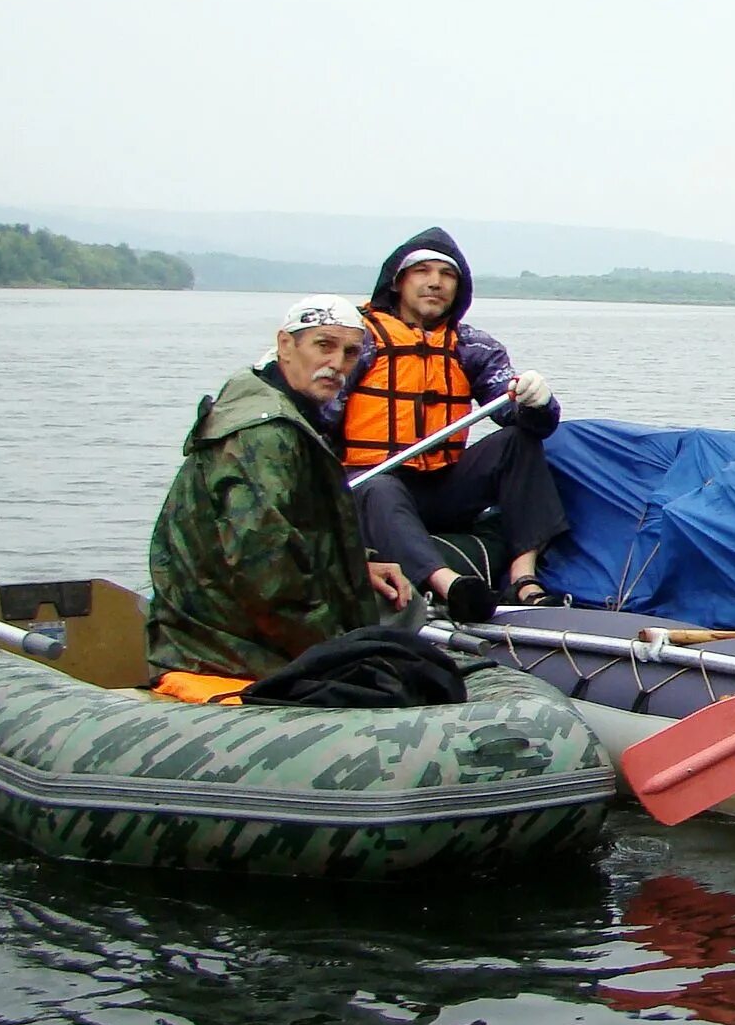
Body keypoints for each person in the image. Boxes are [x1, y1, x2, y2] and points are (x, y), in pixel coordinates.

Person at [145, 298, 413, 693]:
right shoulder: (265, 435)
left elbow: (297, 529)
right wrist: (339, 650)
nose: (338, 363)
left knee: (402, 621)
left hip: (235, 625)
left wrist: (357, 565)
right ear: (286, 345)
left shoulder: (283, 410)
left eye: (350, 352)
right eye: (324, 345)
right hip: (221, 644)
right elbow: (265, 573)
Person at [331, 227, 568, 616]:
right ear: (399, 281)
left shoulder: (471, 346)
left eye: (447, 275)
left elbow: (520, 416)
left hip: (440, 486)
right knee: (380, 488)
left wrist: (537, 403)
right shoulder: (359, 341)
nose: (435, 283)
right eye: (422, 271)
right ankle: (451, 586)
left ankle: (524, 578)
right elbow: (317, 412)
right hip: (370, 486)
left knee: (517, 440)